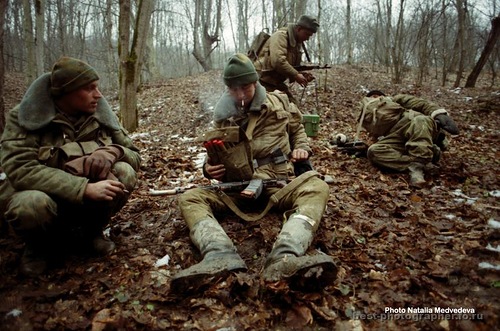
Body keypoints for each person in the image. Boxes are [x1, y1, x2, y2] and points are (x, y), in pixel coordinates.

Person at [173, 53, 336, 291]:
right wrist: (208, 169)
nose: (240, 95)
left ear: (256, 82)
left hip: (277, 185)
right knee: (190, 198)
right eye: (233, 89)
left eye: (245, 88)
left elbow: (297, 129)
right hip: (238, 189)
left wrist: (302, 148)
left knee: (317, 188)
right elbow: (213, 158)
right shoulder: (222, 119)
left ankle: (285, 256)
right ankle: (218, 254)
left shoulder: (279, 102)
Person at [0, 57, 141, 276]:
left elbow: (135, 155)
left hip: (85, 204)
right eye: (89, 88)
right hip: (46, 200)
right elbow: (20, 169)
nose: (99, 94)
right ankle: (38, 248)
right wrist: (83, 187)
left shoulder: (100, 114)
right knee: (30, 204)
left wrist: (112, 152)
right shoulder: (26, 117)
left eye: (97, 87)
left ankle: (90, 234)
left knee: (124, 171)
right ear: (66, 92)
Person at [356, 90, 459, 187]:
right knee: (373, 151)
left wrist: (439, 114)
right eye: (371, 97)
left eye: (376, 95)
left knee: (420, 120)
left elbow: (420, 103)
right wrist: (364, 149)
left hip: (414, 125)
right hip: (395, 137)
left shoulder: (395, 99)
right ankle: (423, 160)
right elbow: (375, 139)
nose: (374, 97)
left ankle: (417, 169)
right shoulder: (372, 118)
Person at [253, 15, 320, 104]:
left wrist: (301, 75)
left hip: (275, 82)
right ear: (299, 29)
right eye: (307, 34)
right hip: (261, 81)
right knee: (273, 110)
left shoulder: (296, 42)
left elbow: (289, 66)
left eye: (310, 36)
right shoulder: (280, 36)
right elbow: (278, 61)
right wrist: (296, 75)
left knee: (293, 106)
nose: (307, 38)